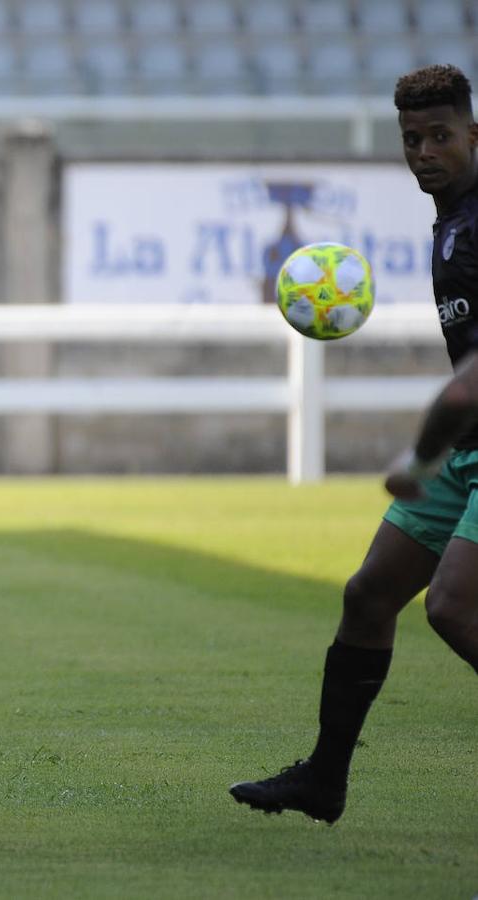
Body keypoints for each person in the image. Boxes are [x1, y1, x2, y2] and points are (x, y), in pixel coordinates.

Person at [229, 63, 478, 823]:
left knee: (453, 608)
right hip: (470, 446)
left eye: (440, 136)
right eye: (411, 138)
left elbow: (468, 385)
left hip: (460, 439)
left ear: (475, 134)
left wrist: (419, 458)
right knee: (369, 595)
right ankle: (324, 781)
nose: (424, 151)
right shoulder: (452, 221)